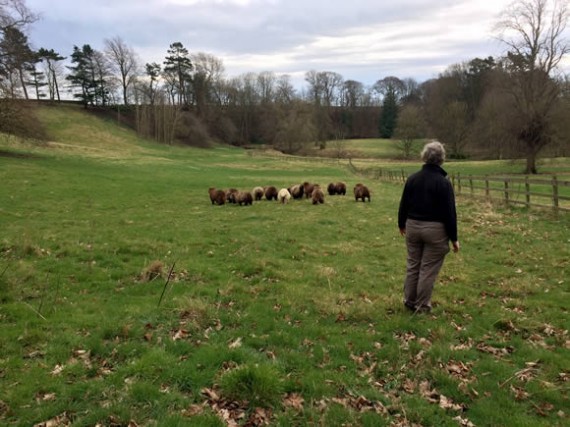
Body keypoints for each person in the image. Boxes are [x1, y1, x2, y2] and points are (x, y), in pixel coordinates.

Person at [397, 141, 460, 313]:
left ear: (424, 157)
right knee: (427, 268)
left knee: (413, 265)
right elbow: (450, 212)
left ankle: (409, 301)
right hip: (435, 231)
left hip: (412, 227)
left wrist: (401, 224)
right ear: (442, 159)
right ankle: (422, 306)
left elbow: (404, 204)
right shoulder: (444, 183)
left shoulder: (412, 179)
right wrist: (454, 238)